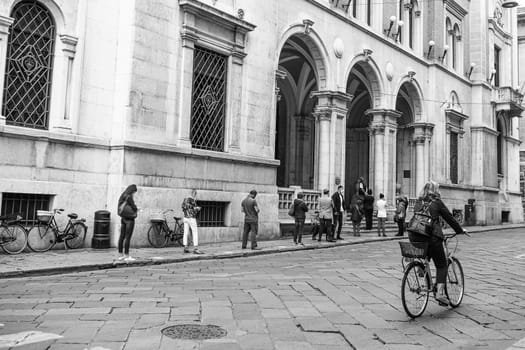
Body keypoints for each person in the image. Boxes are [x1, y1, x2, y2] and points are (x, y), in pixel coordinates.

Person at [408, 181, 466, 305]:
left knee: (426, 250)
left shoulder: (418, 202)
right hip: (432, 237)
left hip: (414, 236)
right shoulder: (437, 202)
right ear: (435, 191)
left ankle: (421, 268)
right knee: (442, 265)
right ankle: (440, 293)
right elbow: (449, 218)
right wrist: (460, 230)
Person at [117, 184, 138, 262]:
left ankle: (120, 255)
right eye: (134, 192)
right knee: (127, 237)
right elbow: (133, 207)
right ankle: (127, 255)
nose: (134, 194)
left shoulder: (123, 195)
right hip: (130, 219)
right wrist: (137, 209)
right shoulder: (129, 196)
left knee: (122, 236)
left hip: (123, 218)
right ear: (132, 191)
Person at [181, 189, 203, 254]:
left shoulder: (185, 200)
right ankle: (196, 248)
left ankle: (185, 247)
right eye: (195, 194)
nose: (195, 196)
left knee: (185, 232)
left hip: (185, 218)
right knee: (195, 232)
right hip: (191, 218)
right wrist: (197, 208)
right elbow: (193, 209)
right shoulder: (192, 200)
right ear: (194, 194)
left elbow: (183, 208)